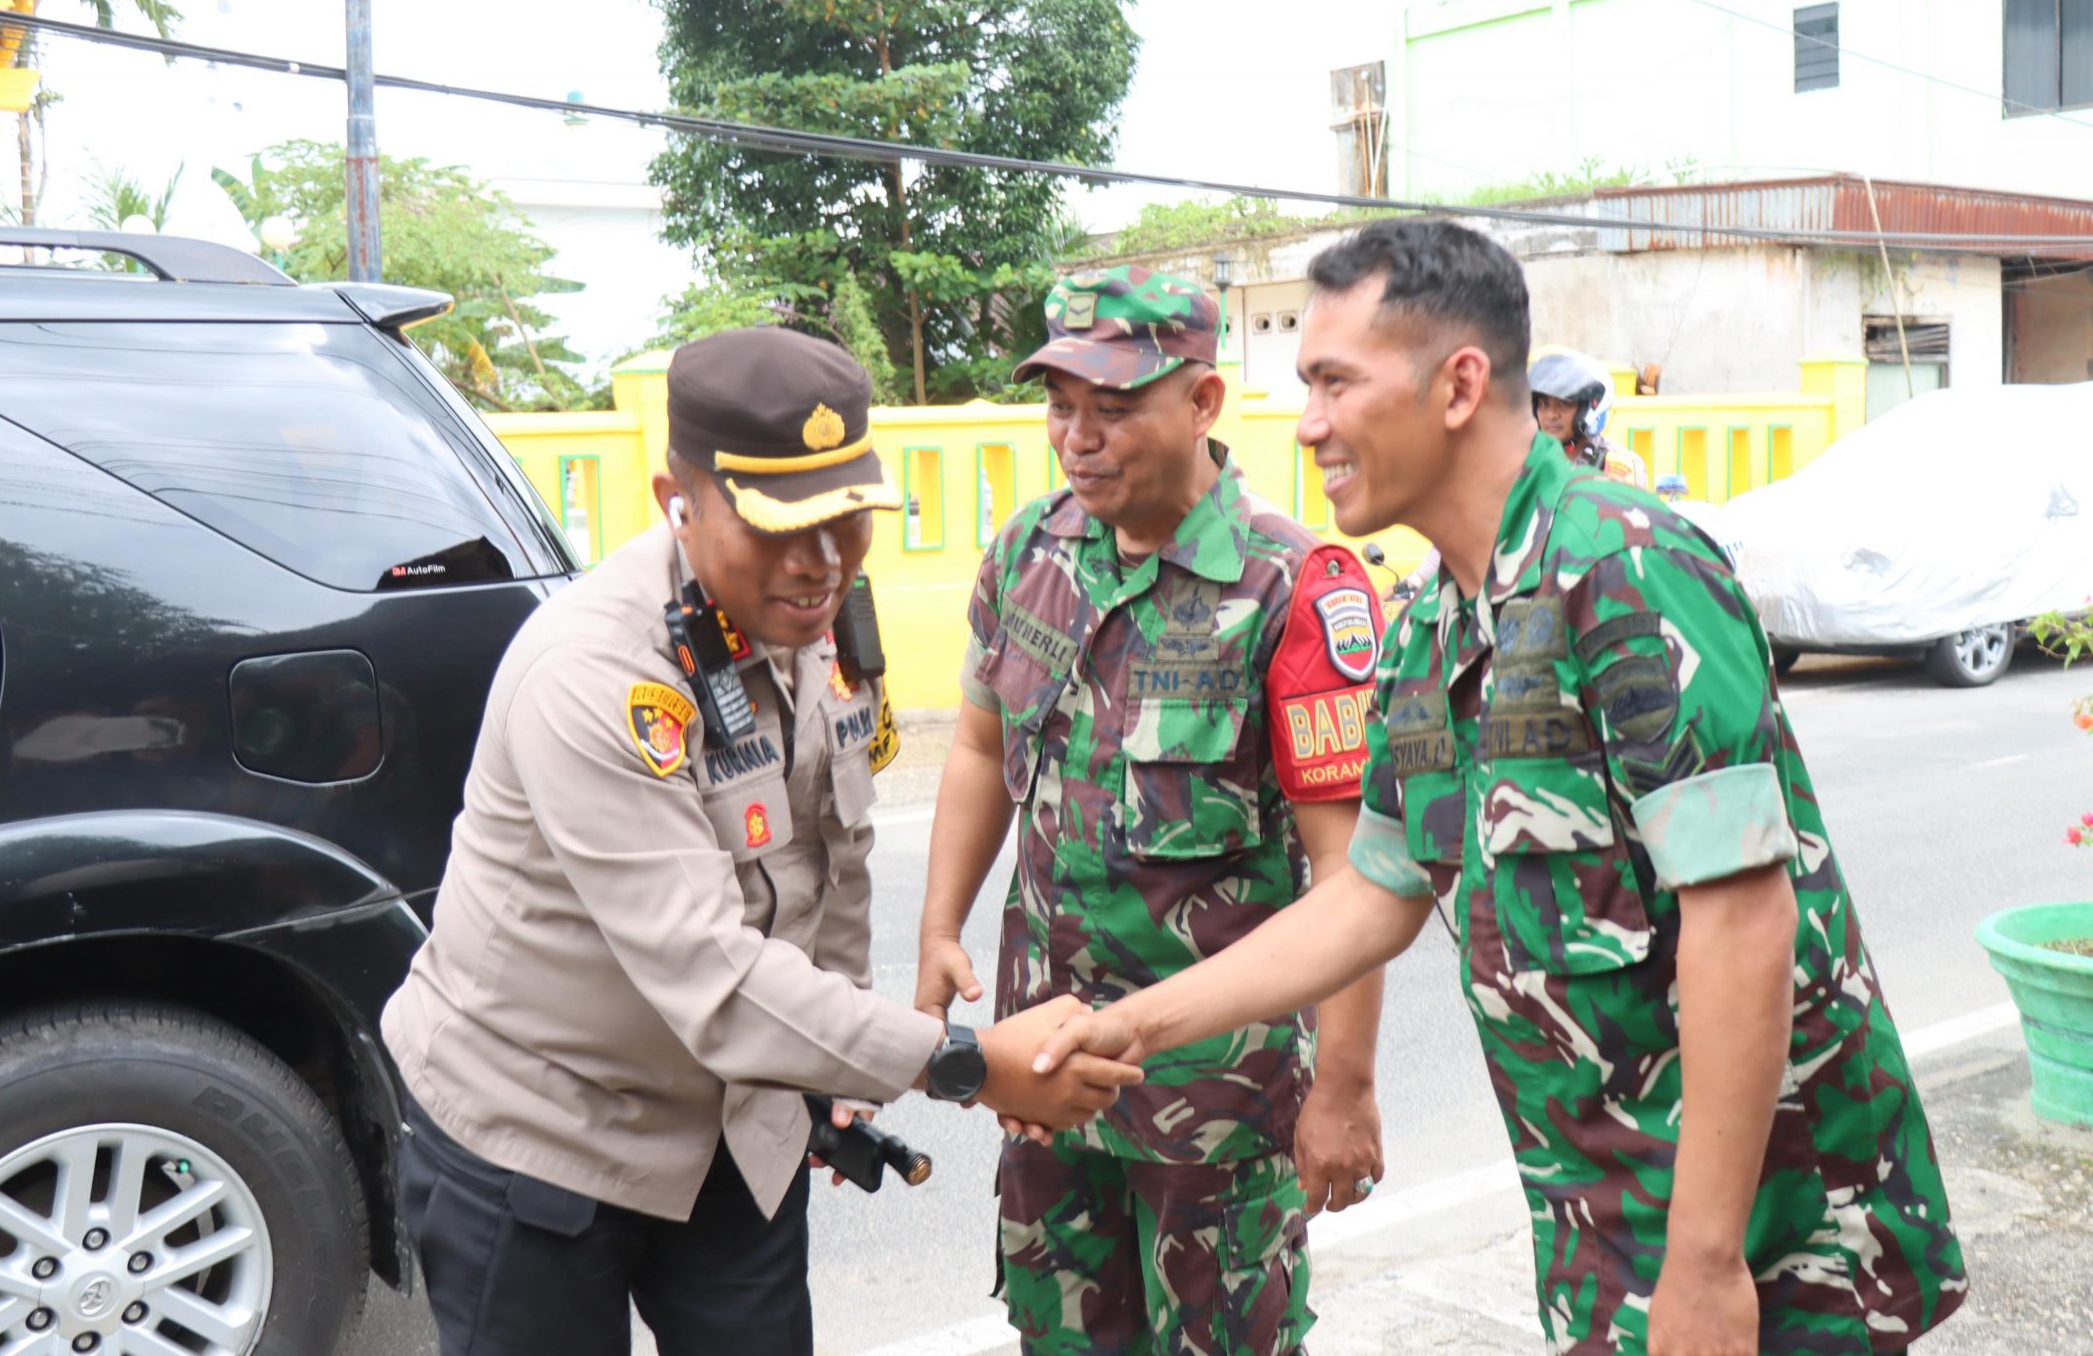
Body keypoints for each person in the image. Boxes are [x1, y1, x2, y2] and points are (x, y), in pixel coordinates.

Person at [1035, 220, 1967, 1355]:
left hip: (1777, 1244)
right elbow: (1373, 891)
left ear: (1459, 384)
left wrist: (1710, 1263)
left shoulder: (1626, 570)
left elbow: (1743, 918)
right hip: (1602, 1222)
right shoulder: (1432, 627)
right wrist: (1128, 1025)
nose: (1310, 423)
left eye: (1334, 381)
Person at [381, 328, 1140, 1356]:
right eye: (781, 526)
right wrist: (962, 1065)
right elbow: (710, 973)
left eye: (842, 518)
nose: (819, 562)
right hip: (539, 1138)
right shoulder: (594, 675)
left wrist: (822, 1076)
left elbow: (832, 857)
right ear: (675, 500)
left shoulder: (814, 620)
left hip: (735, 1129)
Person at [916, 268, 1390, 1356]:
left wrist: (1345, 1091)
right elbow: (983, 746)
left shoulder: (1294, 591)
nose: (1078, 439)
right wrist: (941, 926)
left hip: (1214, 1107)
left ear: (1203, 402)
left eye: (1114, 408)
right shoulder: (1029, 552)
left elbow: (1355, 873)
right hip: (1045, 1075)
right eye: (1061, 408)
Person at [1530, 344, 1645, 487]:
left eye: (1565, 403)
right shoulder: (1526, 462)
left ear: (1590, 408)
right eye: (1543, 404)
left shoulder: (1619, 466)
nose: (1551, 415)